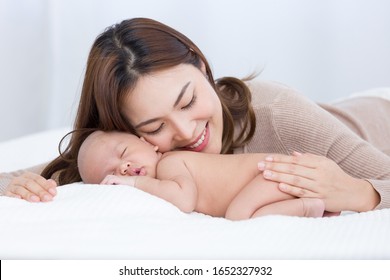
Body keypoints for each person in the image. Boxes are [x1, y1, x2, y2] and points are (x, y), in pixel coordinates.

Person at [1, 18, 390, 214]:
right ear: (128, 133)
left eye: (187, 102)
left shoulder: (278, 114)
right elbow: (26, 175)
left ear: (203, 68)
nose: (187, 132)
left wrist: (360, 192)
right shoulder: (123, 160)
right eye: (155, 127)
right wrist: (16, 188)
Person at [78, 130, 330, 220]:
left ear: (149, 143)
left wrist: (134, 182)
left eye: (124, 152)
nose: (123, 168)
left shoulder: (170, 163)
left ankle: (308, 208)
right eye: (112, 174)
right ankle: (307, 205)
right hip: (269, 178)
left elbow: (184, 199)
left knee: (238, 216)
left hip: (270, 174)